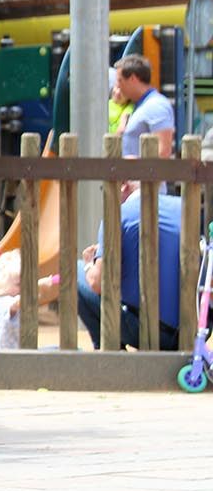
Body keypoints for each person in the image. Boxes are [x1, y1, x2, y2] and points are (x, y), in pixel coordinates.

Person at [78, 182, 182, 351]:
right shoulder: (184, 207)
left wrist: (89, 265)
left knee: (77, 272)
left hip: (142, 329)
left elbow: (97, 284)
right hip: (192, 328)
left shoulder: (118, 215)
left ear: (123, 186)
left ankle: (109, 352)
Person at [115, 54, 175, 158]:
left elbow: (164, 152)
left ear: (133, 79)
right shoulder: (141, 105)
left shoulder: (156, 106)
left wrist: (135, 163)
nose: (117, 86)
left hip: (143, 174)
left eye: (120, 80)